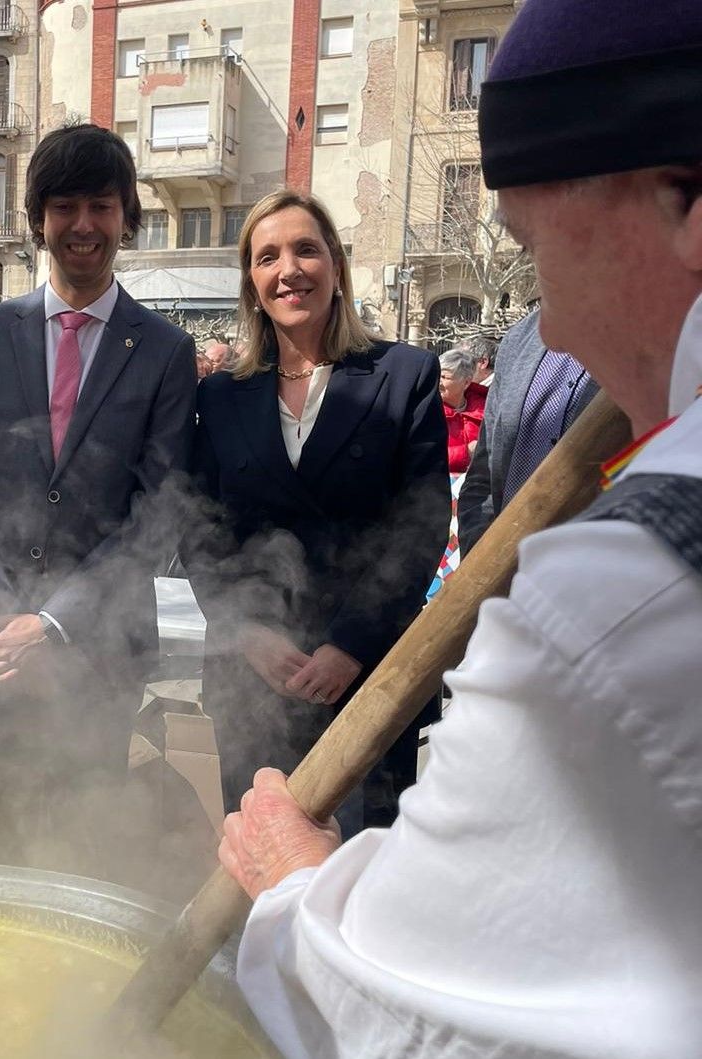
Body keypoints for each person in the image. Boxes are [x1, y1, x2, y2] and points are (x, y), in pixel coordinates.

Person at [219, 3, 702, 1055]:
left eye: (536, 247)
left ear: (689, 203)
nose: (549, 326)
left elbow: (420, 1014)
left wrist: (293, 884)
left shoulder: (619, 587)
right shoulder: (226, 395)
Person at [0, 122, 197, 875]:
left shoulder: (166, 351)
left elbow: (158, 513)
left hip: (98, 654)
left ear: (127, 217)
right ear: (38, 218)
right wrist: (3, 623)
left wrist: (52, 624)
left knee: (79, 847)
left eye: (102, 206)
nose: (84, 225)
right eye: (65, 206)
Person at [185, 191, 449, 835]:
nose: (288, 270)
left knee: (360, 868)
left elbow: (417, 527)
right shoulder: (220, 396)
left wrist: (350, 647)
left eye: (305, 249)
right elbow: (199, 529)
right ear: (251, 283)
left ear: (335, 265)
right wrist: (247, 630)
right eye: (267, 257)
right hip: (251, 678)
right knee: (261, 858)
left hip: (365, 678)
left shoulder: (402, 375)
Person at [458, 308, 596, 555]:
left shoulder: (661, 331)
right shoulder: (520, 338)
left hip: (604, 568)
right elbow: (484, 475)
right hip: (509, 568)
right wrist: (480, 551)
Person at [438, 345, 487, 474]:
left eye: (444, 377)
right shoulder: (427, 411)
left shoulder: (487, 409)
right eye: (436, 375)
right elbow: (425, 456)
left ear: (466, 382)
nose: (438, 382)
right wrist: (467, 452)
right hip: (439, 483)